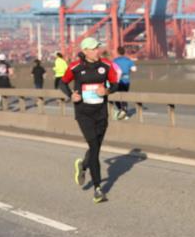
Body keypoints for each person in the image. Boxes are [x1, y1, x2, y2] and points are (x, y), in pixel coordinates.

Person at [58, 38, 119, 203]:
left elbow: (115, 84)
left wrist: (106, 91)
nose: (96, 51)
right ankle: (98, 189)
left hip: (101, 112)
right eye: (92, 49)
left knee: (96, 148)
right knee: (94, 147)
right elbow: (62, 83)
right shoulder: (75, 67)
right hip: (84, 113)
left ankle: (83, 165)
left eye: (97, 48)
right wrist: (71, 95)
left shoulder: (106, 65)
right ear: (85, 51)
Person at [111, 46, 137, 120]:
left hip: (117, 81)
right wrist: (128, 71)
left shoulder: (115, 61)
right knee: (124, 96)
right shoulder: (128, 60)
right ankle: (124, 111)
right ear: (124, 52)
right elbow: (134, 69)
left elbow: (111, 70)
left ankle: (121, 110)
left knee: (116, 96)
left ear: (118, 52)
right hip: (126, 81)